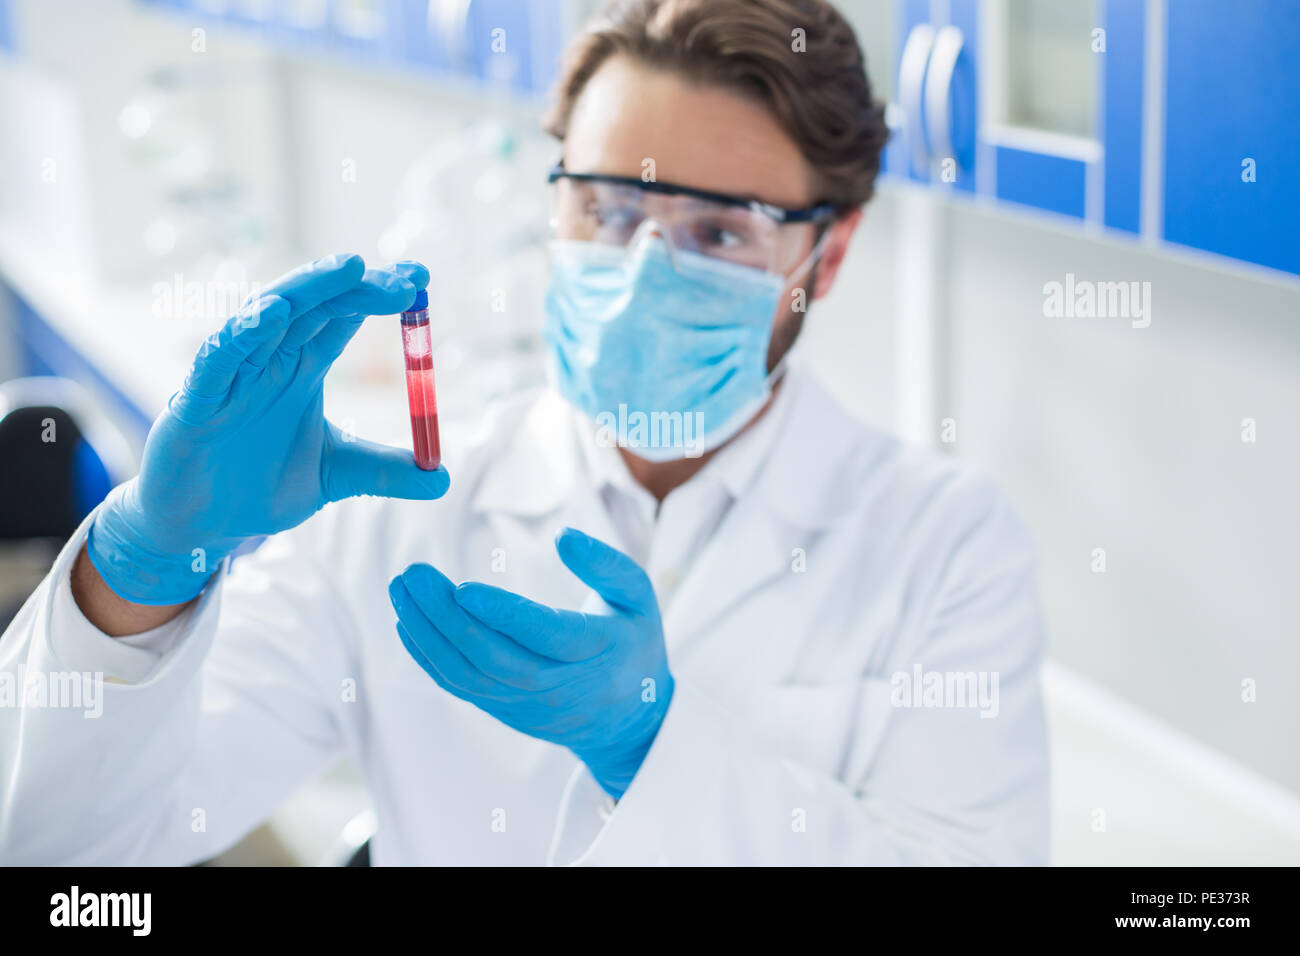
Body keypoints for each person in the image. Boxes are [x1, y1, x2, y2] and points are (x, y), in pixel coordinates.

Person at [0, 0, 1048, 865]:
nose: (642, 268)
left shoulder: (942, 543)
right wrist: (144, 567)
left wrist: (649, 749)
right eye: (607, 209)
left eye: (719, 230)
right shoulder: (397, 502)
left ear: (830, 252)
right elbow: (75, 851)